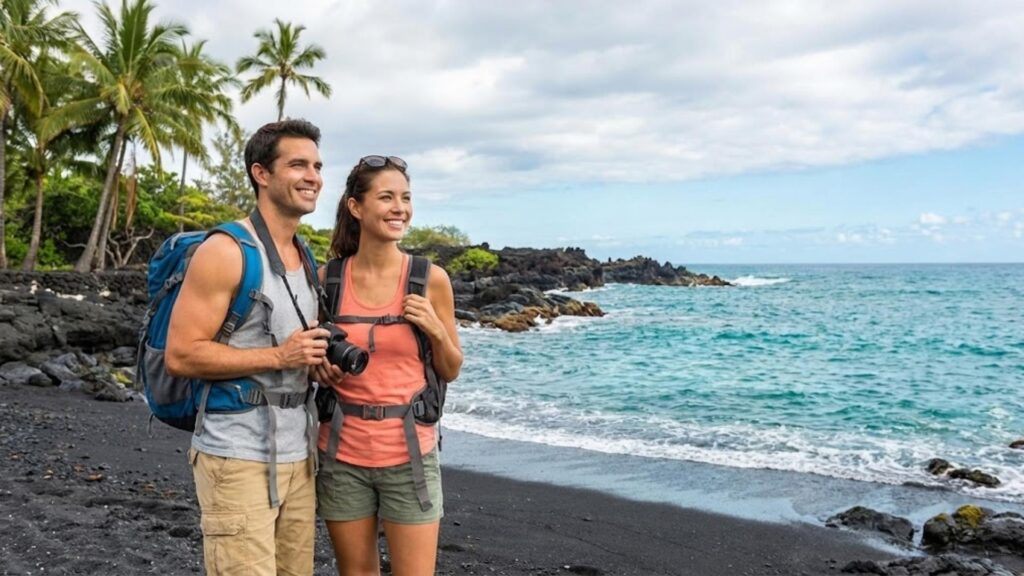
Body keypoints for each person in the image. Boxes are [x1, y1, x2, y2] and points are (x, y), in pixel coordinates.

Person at [165, 119, 330, 576]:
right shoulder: (226, 250)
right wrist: (281, 357)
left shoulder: (303, 253)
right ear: (261, 173)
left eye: (316, 165)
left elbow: (291, 347)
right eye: (297, 164)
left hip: (299, 452)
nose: (313, 176)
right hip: (236, 455)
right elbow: (181, 354)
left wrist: (315, 364)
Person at [314, 155, 463, 576]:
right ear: (356, 207)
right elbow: (310, 354)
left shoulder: (430, 279)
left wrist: (435, 329)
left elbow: (450, 368)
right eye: (386, 197)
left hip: (409, 453)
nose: (400, 207)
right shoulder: (329, 279)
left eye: (406, 197)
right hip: (341, 453)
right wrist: (318, 368)